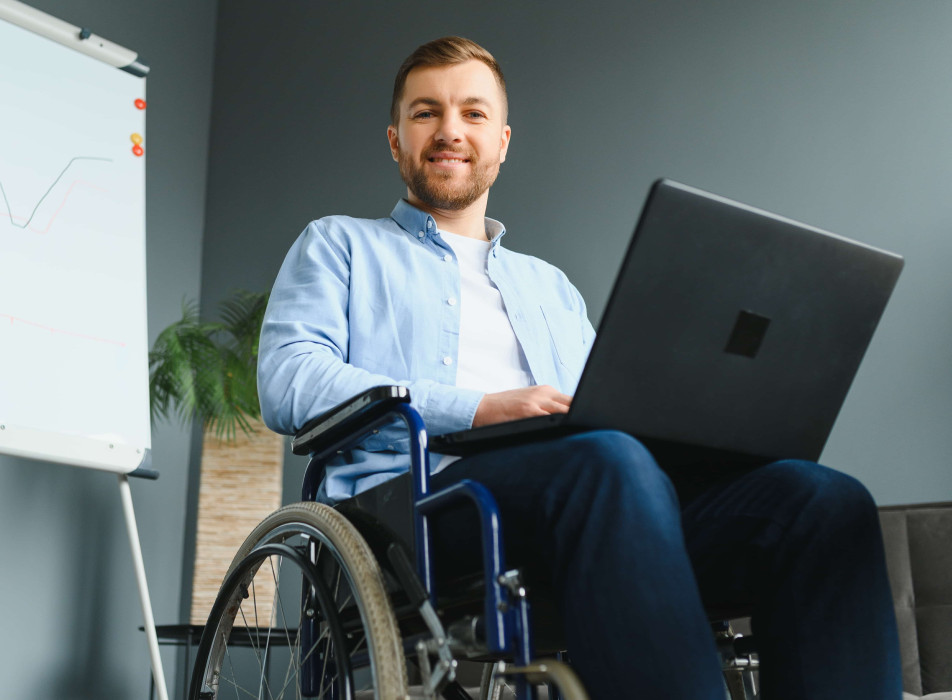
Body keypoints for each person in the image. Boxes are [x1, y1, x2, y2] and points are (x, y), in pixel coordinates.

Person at [257, 36, 901, 700]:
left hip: (598, 497)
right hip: (419, 507)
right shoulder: (339, 245)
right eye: (426, 112)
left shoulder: (551, 288)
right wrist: (481, 406)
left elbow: (608, 413)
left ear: (503, 142)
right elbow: (288, 380)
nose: (450, 130)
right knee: (608, 462)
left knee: (821, 500)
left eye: (473, 113)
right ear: (395, 139)